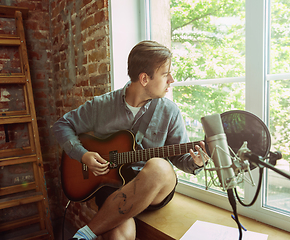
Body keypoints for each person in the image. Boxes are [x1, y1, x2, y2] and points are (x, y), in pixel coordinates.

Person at [53, 40, 207, 240]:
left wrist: (197, 162)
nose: (171, 79)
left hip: (154, 189)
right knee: (119, 236)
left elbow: (180, 159)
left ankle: (85, 234)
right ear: (144, 78)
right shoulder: (101, 106)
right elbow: (62, 125)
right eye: (165, 74)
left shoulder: (169, 111)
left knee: (159, 167)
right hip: (113, 189)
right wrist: (83, 155)